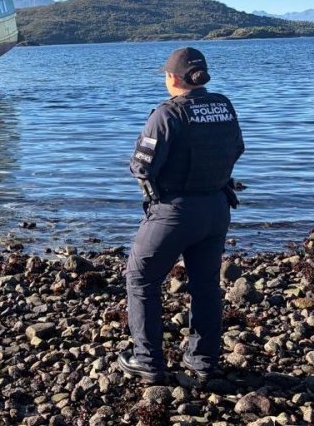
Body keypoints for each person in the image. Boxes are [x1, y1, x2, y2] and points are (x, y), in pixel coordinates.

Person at [117, 47, 244, 384]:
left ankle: (147, 361)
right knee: (205, 286)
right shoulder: (224, 106)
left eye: (165, 75)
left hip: (174, 213)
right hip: (217, 208)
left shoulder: (167, 114)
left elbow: (141, 166)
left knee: (141, 279)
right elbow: (237, 149)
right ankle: (202, 362)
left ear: (172, 77)